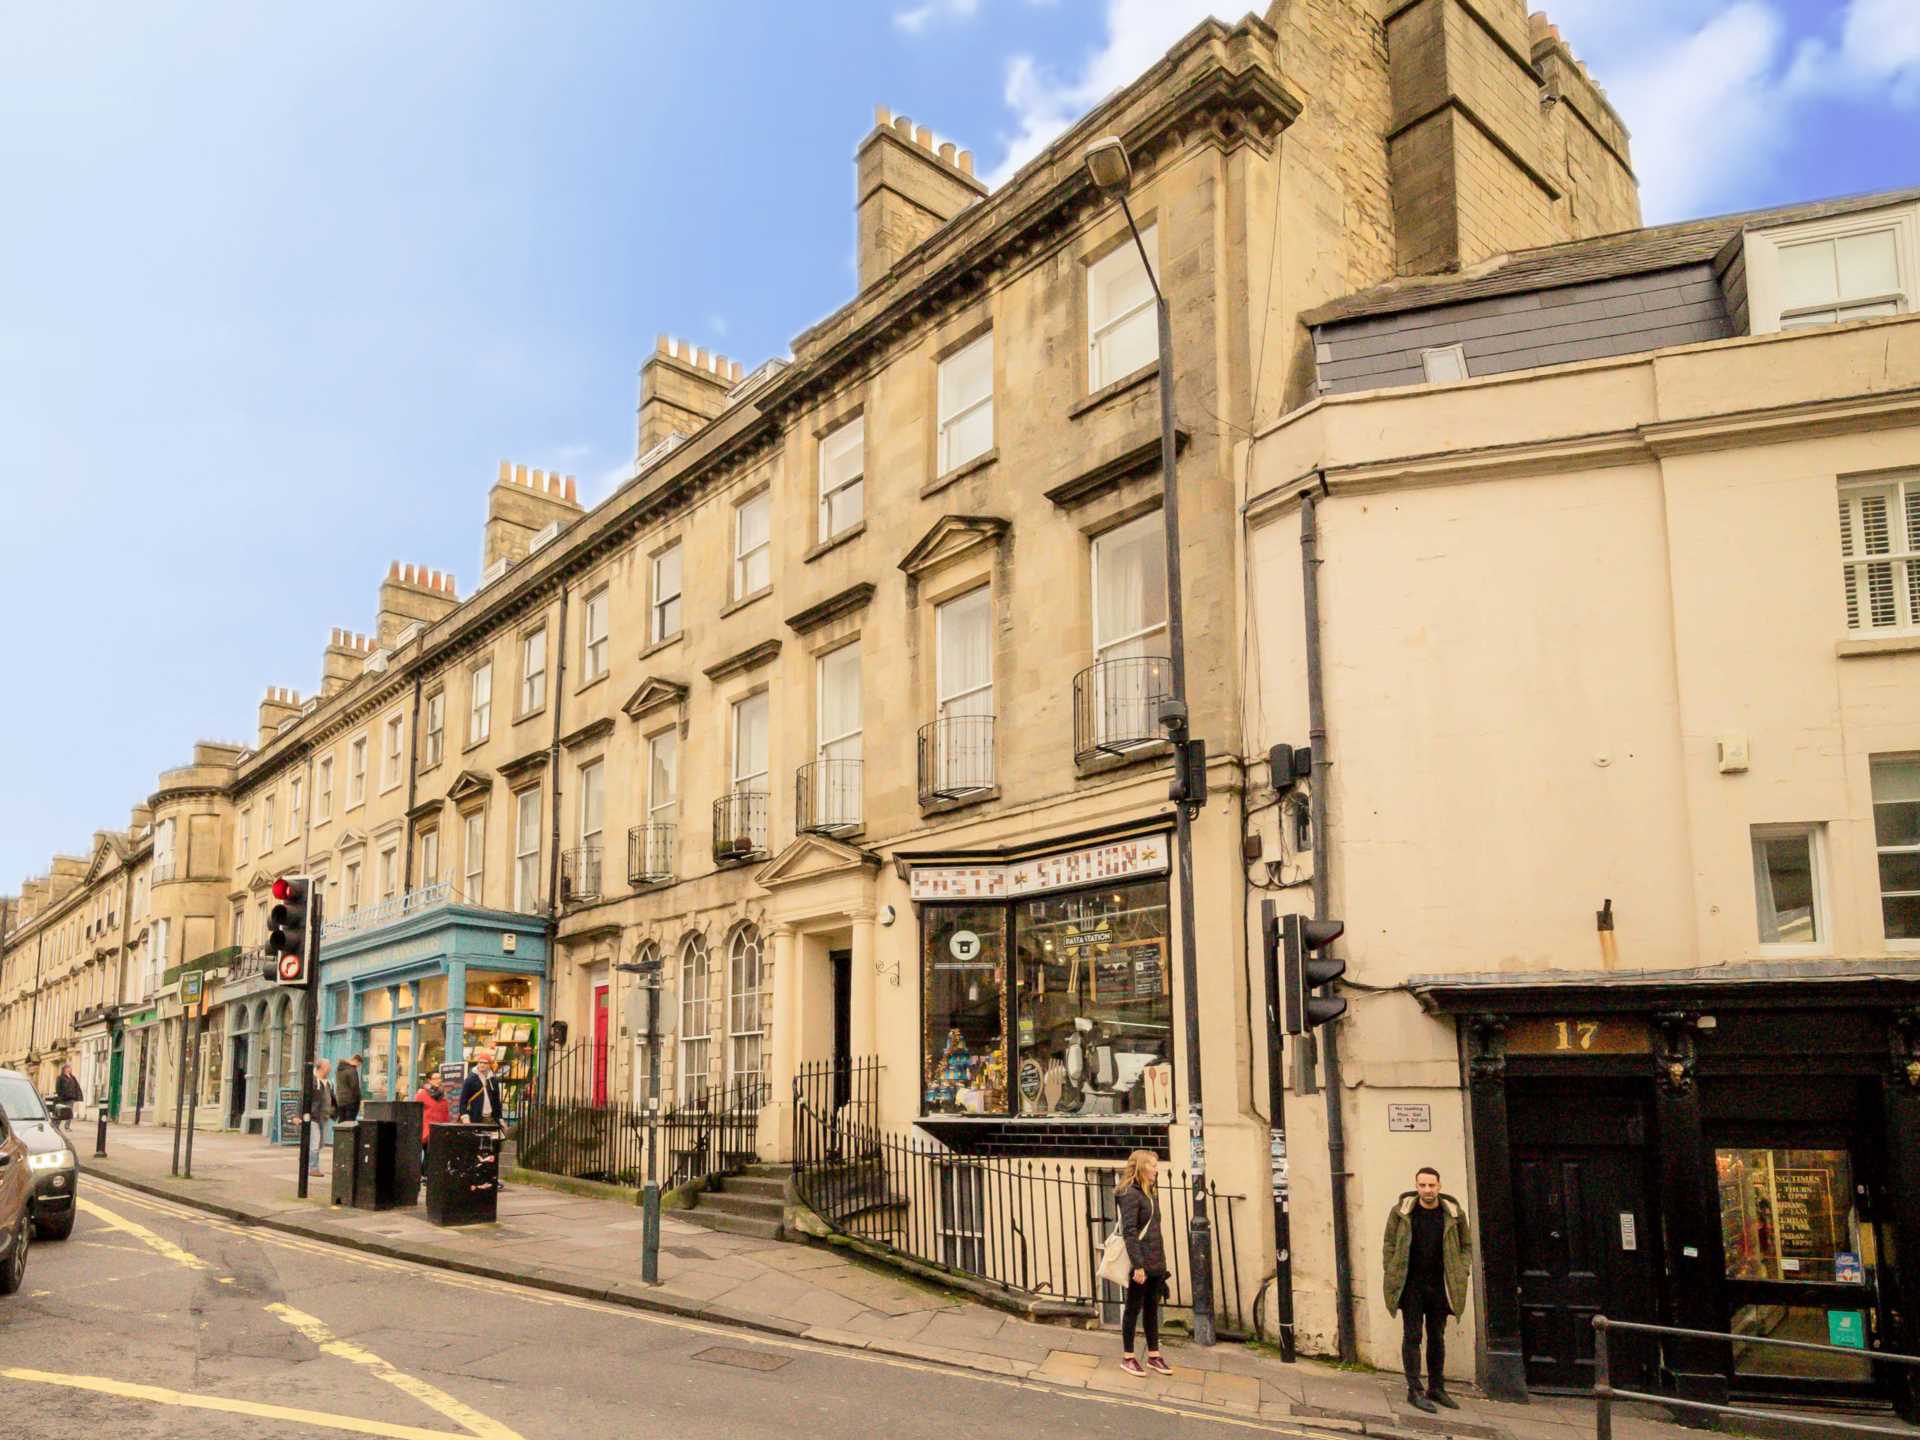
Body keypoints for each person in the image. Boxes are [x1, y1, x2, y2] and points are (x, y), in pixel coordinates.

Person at [1382, 1165, 1472, 1413]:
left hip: (1440, 1285)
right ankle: (1415, 1390)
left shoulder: (1454, 1214)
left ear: (1439, 1186)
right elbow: (1389, 1243)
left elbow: (1466, 1245)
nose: (1427, 1190)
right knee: (1412, 1336)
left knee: (1437, 1337)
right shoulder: (1401, 1212)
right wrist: (1390, 1268)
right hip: (1411, 1286)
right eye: (1422, 1185)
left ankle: (1437, 1388)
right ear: (1416, 1185)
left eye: (1431, 1185)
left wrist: (1462, 1270)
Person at [1115, 1148, 1172, 1378]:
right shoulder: (1130, 1194)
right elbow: (1130, 1232)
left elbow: (1154, 1231)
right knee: (1133, 1308)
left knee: (1151, 1309)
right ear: (1141, 1167)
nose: (1157, 1169)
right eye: (1153, 1165)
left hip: (1155, 1260)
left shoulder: (1150, 1192)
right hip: (1140, 1262)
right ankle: (1128, 1357)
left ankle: (1153, 1355)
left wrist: (1159, 1266)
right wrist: (1138, 1265)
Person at [413, 1070, 452, 1173]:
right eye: (436, 1078)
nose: (438, 1081)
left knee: (435, 1154)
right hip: (427, 1129)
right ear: (429, 1080)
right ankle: (425, 1174)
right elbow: (416, 1111)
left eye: (440, 1078)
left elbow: (445, 1112)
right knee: (428, 1153)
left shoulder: (442, 1094)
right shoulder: (422, 1094)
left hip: (439, 1128)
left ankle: (429, 1174)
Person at [306, 1059, 336, 1176]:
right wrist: (297, 1116)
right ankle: (313, 1168)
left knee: (319, 1144)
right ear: (321, 1068)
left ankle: (308, 1162)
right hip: (313, 1117)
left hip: (324, 1117)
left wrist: (334, 1112)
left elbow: (332, 1099)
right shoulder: (313, 1081)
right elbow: (303, 1097)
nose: (330, 1069)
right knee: (315, 1143)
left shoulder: (328, 1083)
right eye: (328, 1066)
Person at [459, 1051, 504, 1126]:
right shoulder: (471, 1079)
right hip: (475, 1118)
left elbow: (496, 1101)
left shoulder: (493, 1080)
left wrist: (500, 1118)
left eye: (485, 1063)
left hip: (491, 1118)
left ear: (489, 1065)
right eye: (480, 1062)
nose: (482, 1065)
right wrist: (465, 1116)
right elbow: (463, 1100)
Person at [334, 1053, 363, 1123]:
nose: (358, 1066)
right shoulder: (352, 1070)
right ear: (356, 1061)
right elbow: (355, 1086)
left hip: (340, 1100)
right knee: (349, 1123)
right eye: (359, 1064)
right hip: (351, 1101)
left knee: (341, 1122)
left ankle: (339, 1134)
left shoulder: (339, 1069)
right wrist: (359, 1098)